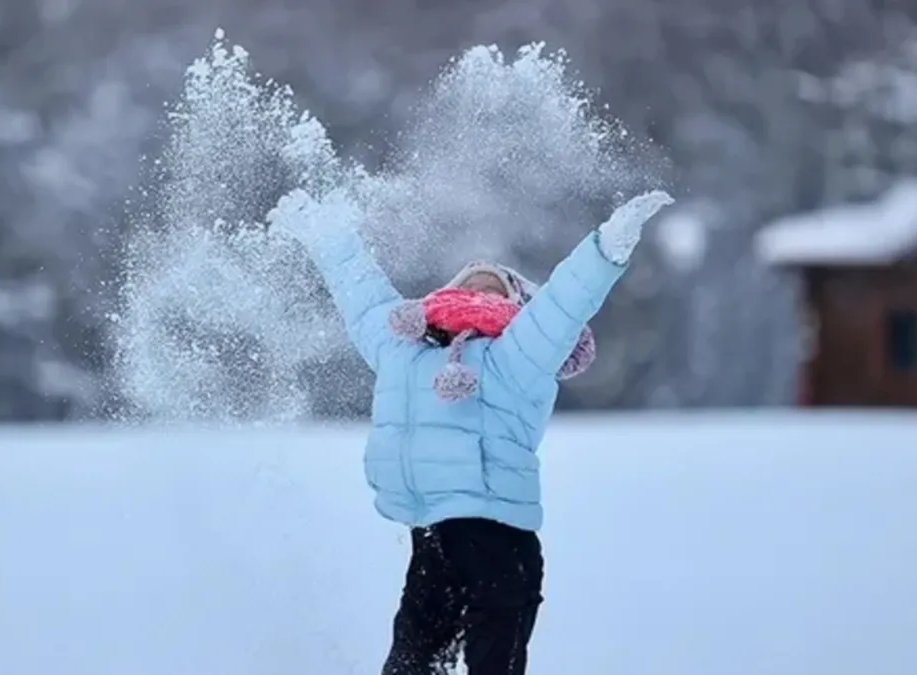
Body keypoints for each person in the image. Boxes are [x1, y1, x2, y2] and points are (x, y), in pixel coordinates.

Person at [266, 186, 673, 675]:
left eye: (494, 289)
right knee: (409, 665)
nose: (479, 294)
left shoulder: (519, 354)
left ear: (519, 305)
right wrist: (326, 234)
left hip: (501, 543)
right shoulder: (404, 351)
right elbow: (362, 293)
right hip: (433, 540)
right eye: (469, 286)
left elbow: (564, 303)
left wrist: (607, 247)